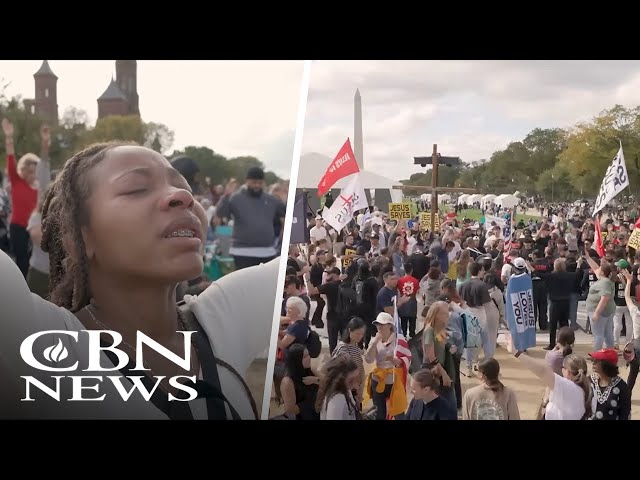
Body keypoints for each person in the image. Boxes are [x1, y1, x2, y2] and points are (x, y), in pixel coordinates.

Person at [0, 142, 279, 419]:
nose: (182, 195)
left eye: (186, 188)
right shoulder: (38, 340)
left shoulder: (222, 322)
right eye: (136, 188)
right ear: (77, 240)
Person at [508, 334, 594, 420]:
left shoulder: (566, 386)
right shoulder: (586, 387)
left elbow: (542, 371)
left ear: (567, 371)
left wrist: (516, 353)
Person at [215, 166, 286, 270]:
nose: (257, 185)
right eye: (254, 182)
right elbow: (220, 214)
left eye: (260, 183)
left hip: (268, 252)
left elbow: (285, 214)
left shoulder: (271, 200)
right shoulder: (235, 198)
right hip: (242, 251)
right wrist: (225, 196)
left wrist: (285, 199)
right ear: (247, 181)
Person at [2, 119, 39, 277]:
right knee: (22, 260)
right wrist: (9, 137)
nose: (32, 174)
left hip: (34, 228)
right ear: (24, 171)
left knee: (32, 260)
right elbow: (10, 158)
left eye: (34, 171)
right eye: (29, 171)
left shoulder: (39, 188)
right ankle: (21, 290)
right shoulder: (17, 182)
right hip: (17, 227)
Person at [26, 125, 53, 298]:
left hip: (59, 277)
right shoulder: (36, 217)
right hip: (39, 275)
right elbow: (39, 239)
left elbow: (44, 170)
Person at [364, 312, 403, 420]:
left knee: (398, 411)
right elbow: (368, 359)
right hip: (378, 379)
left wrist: (395, 360)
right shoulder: (374, 340)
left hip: (394, 380)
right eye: (377, 324)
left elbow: (405, 360)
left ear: (390, 325)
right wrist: (374, 342)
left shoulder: (398, 340)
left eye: (382, 324)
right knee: (380, 412)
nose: (379, 327)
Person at [280, 344, 321, 420]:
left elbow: (329, 382)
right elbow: (291, 410)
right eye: (305, 357)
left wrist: (315, 380)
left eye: (308, 355)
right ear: (297, 360)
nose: (309, 358)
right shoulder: (288, 381)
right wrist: (315, 400)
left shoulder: (310, 370)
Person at [588, 348, 631, 420]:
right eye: (593, 360)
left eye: (597, 360)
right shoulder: (589, 382)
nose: (593, 363)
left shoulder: (621, 386)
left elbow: (625, 412)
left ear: (606, 365)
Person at [332, 317, 366, 406]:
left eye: (362, 334)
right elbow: (344, 370)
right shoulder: (343, 348)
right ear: (350, 330)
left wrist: (361, 387)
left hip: (356, 387)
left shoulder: (356, 348)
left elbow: (361, 368)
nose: (360, 336)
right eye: (357, 333)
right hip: (346, 388)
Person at [317, 355, 361, 420]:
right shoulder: (337, 399)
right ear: (340, 380)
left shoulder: (345, 389)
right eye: (351, 381)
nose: (356, 386)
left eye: (357, 378)